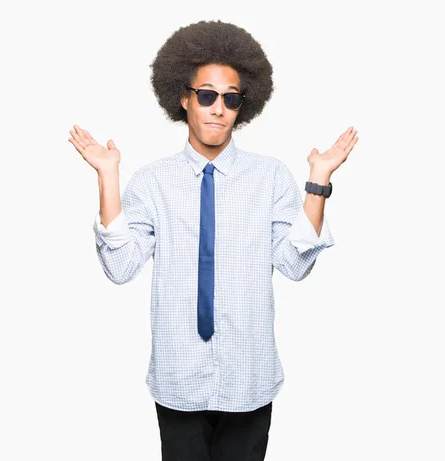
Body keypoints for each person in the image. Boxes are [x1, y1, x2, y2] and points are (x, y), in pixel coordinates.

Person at [68, 19, 358, 461]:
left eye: (230, 99)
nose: (217, 109)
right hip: (178, 377)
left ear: (244, 105)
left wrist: (317, 182)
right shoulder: (153, 182)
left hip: (249, 377)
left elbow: (296, 266)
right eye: (206, 95)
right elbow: (120, 267)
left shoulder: (271, 178)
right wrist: (109, 177)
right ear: (183, 98)